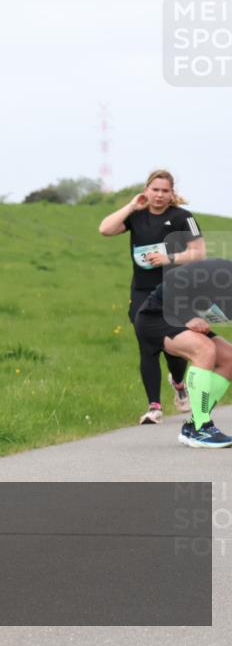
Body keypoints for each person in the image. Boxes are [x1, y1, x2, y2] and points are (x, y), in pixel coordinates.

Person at [98, 170, 206, 424]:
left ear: (172, 193)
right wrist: (131, 205)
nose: (159, 195)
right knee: (147, 345)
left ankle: (179, 383)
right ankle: (154, 406)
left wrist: (170, 259)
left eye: (164, 191)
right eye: (154, 189)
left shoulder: (182, 218)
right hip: (142, 292)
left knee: (174, 351)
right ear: (146, 190)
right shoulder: (136, 216)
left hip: (175, 292)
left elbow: (198, 252)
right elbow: (105, 229)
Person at [134, 259, 232, 447]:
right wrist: (188, 317)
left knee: (229, 359)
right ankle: (201, 429)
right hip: (157, 315)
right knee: (204, 349)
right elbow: (173, 278)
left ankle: (194, 424)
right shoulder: (224, 273)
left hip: (180, 318)